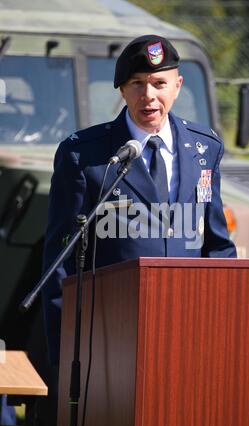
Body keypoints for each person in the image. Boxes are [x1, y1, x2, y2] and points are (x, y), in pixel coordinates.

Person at [42, 35, 237, 366]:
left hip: (188, 328)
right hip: (111, 334)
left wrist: (226, 327)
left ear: (177, 85)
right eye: (137, 83)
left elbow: (217, 247)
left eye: (159, 83)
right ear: (121, 90)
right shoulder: (84, 155)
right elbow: (61, 262)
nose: (149, 95)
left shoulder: (206, 150)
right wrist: (66, 351)